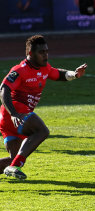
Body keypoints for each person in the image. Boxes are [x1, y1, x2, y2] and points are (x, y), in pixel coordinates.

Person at [0, 35, 87, 179]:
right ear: (30, 54)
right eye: (41, 52)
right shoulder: (20, 70)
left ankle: (14, 165)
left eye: (46, 51)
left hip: (10, 119)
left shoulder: (44, 68)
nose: (45, 55)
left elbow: (58, 74)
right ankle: (15, 165)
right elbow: (3, 89)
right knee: (42, 131)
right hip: (16, 113)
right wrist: (14, 113)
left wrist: (74, 74)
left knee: (13, 160)